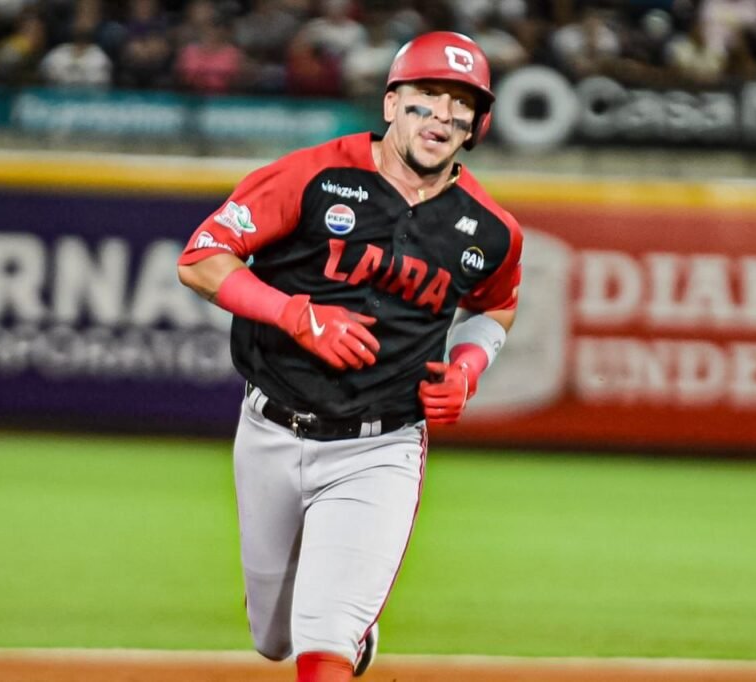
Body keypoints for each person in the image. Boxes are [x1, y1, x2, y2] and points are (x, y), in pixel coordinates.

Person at [177, 31, 522, 682]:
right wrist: (294, 314)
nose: (442, 115)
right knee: (274, 636)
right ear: (391, 103)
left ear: (478, 124)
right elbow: (201, 259)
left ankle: (342, 630)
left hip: (381, 446)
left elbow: (497, 306)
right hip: (272, 428)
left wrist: (469, 366)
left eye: (462, 104)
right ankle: (340, 627)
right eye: (427, 95)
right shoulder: (312, 175)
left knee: (323, 639)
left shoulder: (490, 229)